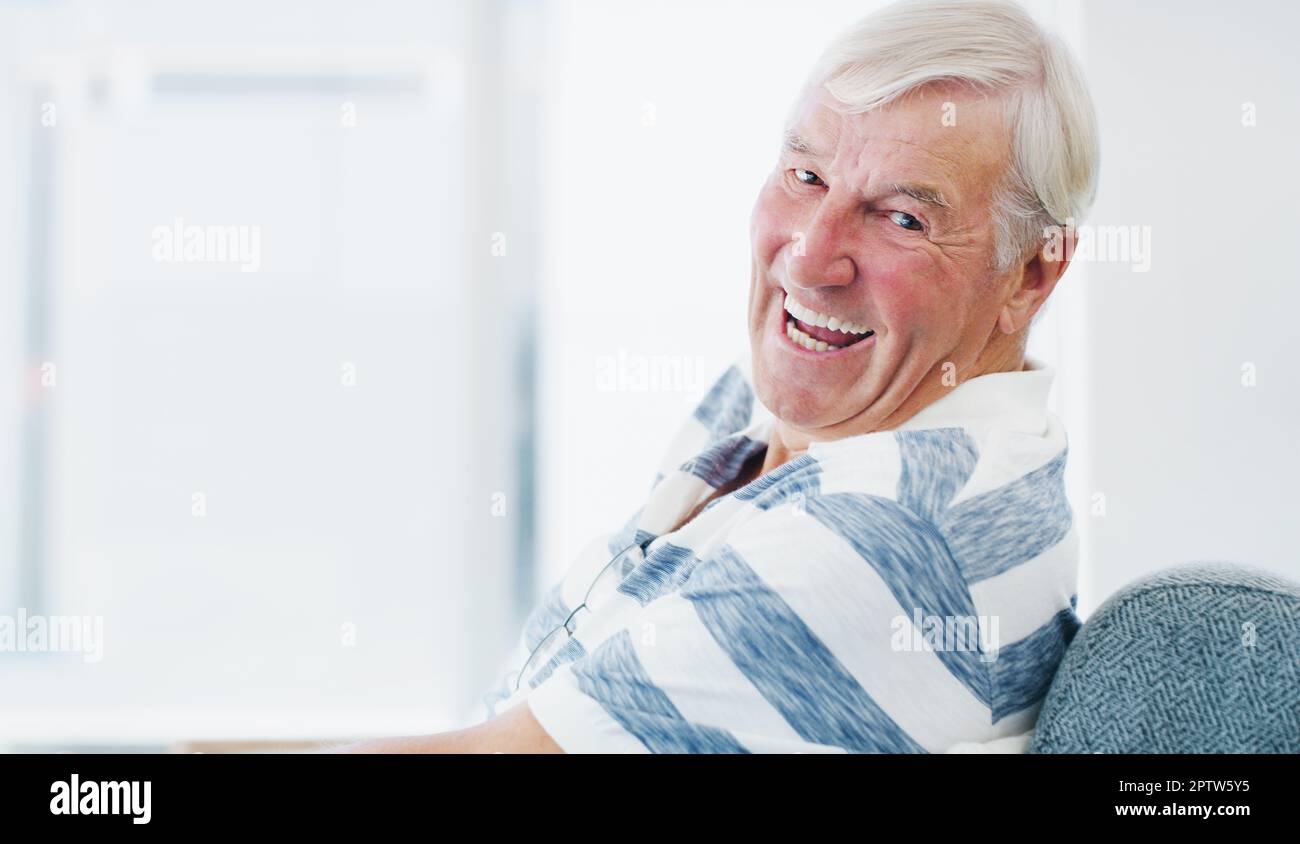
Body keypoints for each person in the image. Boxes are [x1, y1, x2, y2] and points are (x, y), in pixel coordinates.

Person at [344, 0, 1099, 753]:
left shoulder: (877, 534)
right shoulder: (815, 404)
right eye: (806, 175)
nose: (808, 256)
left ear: (1031, 273)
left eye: (903, 218)